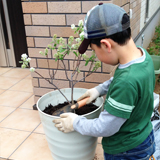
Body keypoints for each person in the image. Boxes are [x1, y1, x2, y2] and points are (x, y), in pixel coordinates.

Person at [53, 3, 156, 160]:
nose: (95, 56)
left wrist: (75, 123)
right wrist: (99, 90)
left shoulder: (126, 83)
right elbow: (121, 79)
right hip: (143, 136)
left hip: (125, 150)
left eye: (94, 51)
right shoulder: (142, 57)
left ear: (106, 45)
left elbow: (105, 126)